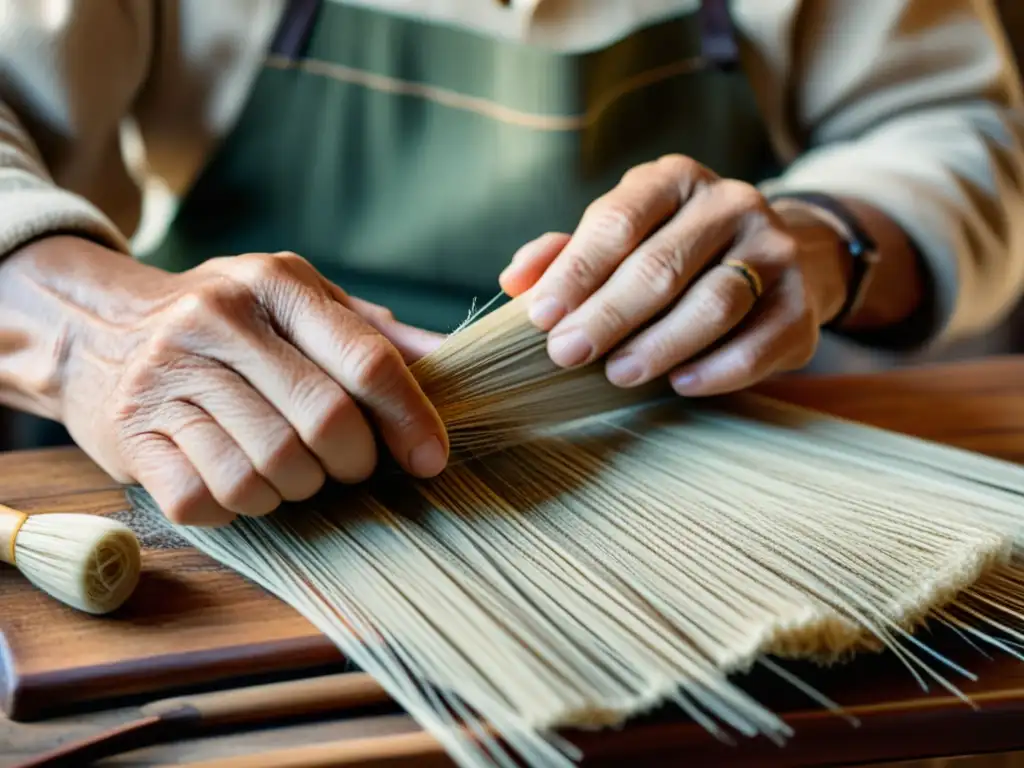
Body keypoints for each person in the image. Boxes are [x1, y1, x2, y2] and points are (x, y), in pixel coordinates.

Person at [0, 0, 1021, 528]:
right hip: (241, 446)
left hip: (690, 454)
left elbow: (951, 124)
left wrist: (827, 238)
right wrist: (81, 319)